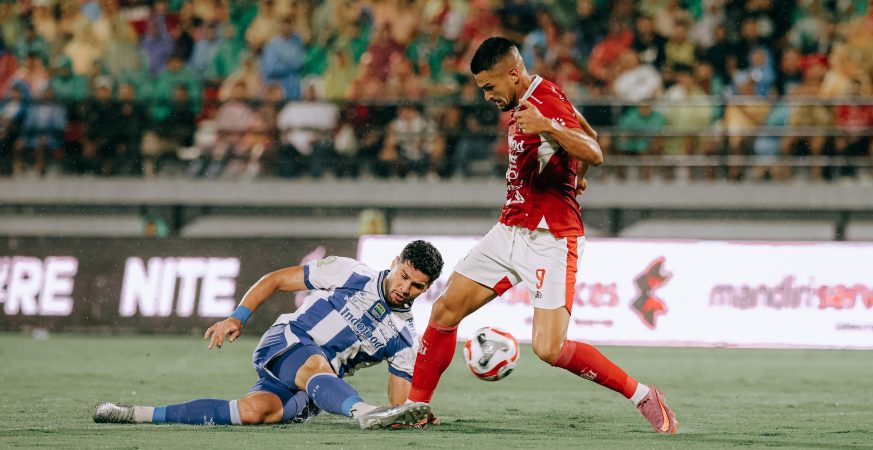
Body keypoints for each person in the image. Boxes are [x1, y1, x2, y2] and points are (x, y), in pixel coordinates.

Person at [405, 37, 678, 434]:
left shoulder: (545, 102)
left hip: (551, 238)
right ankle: (415, 407)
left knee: (549, 348)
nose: (487, 96)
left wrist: (551, 130)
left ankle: (643, 395)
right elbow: (588, 131)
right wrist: (578, 177)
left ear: (513, 74)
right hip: (509, 229)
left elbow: (595, 151)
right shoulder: (533, 95)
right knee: (445, 311)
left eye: (490, 86)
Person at [94, 240, 444, 429]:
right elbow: (275, 280)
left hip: (317, 386)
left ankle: (134, 413)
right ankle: (361, 411)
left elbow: (398, 407)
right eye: (403, 276)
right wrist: (237, 318)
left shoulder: (405, 338)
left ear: (427, 288)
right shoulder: (349, 272)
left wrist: (410, 414)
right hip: (288, 341)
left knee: (256, 412)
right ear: (395, 261)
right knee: (316, 364)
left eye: (417, 286)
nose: (405, 288)